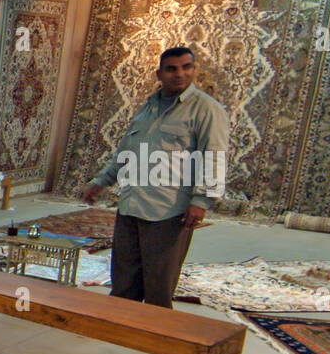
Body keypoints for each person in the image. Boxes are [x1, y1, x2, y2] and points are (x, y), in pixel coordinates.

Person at [82, 46, 228, 309]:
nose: (180, 74)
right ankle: (120, 329)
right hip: (130, 205)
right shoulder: (148, 107)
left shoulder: (206, 109)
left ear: (194, 70)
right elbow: (127, 150)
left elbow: (214, 156)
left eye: (187, 67)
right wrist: (102, 180)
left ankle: (153, 340)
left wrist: (201, 200)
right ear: (159, 73)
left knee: (158, 285)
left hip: (168, 210)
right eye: (172, 69)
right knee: (124, 279)